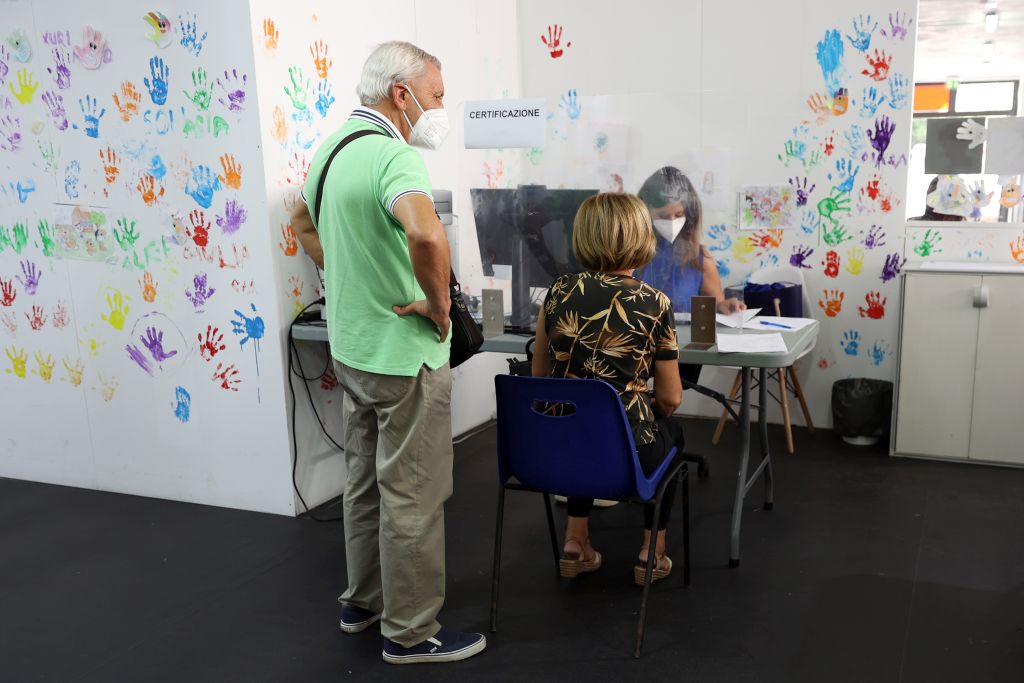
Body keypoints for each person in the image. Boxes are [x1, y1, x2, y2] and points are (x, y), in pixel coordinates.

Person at [290, 41, 485, 665]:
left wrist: (348, 276)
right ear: (401, 94)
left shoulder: (331, 150)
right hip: (404, 357)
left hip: (352, 349)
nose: (440, 107)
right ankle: (410, 632)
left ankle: (363, 603)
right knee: (414, 492)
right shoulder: (394, 155)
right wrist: (439, 304)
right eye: (435, 96)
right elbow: (426, 235)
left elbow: (300, 221)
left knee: (364, 483)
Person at [532, 193, 686, 585]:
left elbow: (539, 379)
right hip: (626, 451)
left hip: (557, 448)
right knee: (672, 434)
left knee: (583, 423)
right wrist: (647, 408)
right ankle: (652, 553)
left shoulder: (558, 291)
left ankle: (575, 541)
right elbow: (670, 399)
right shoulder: (654, 302)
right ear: (642, 237)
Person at [636, 166, 745, 314]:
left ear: (689, 213)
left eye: (679, 214)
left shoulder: (699, 259)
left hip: (681, 330)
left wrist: (723, 306)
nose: (672, 222)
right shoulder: (629, 255)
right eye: (663, 216)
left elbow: (714, 307)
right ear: (646, 213)